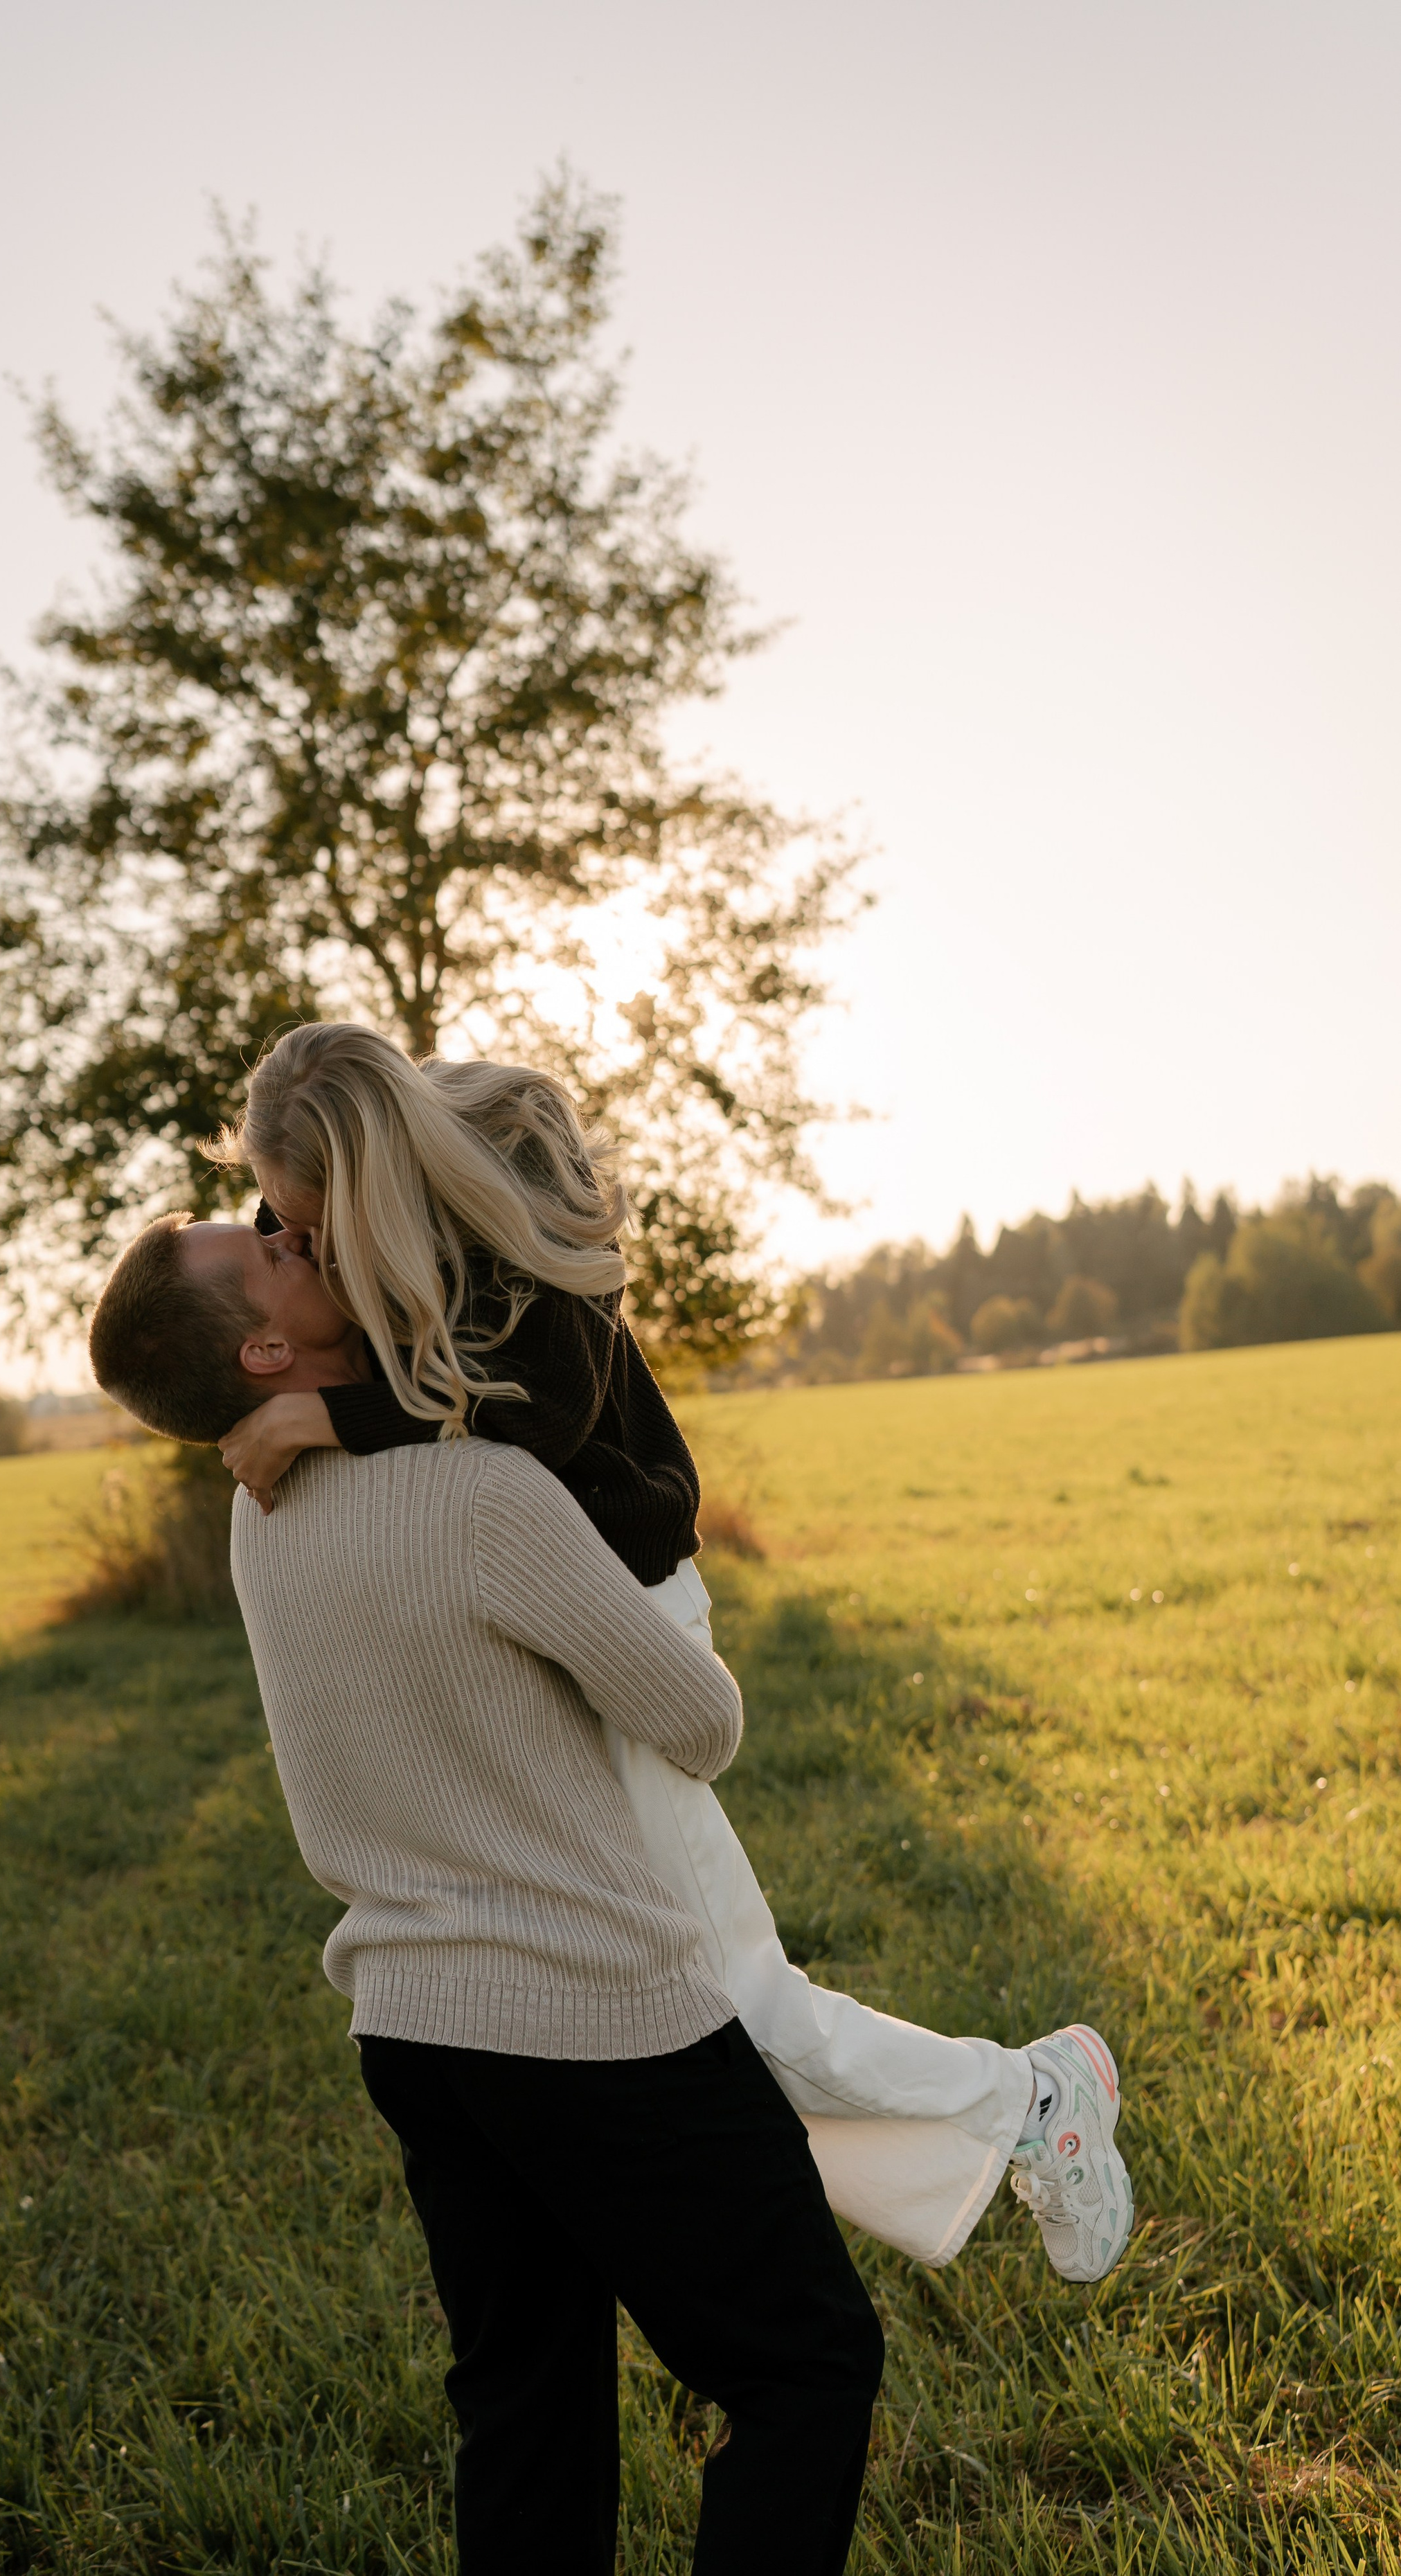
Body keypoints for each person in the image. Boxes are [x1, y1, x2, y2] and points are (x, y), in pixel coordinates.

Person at [89, 1032, 1132, 2291]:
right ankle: (1010, 2120)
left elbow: (537, 1418)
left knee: (730, 2003)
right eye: (272, 1223)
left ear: (366, 1182)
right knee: (706, 2006)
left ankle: (1034, 2093)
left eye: (295, 1224)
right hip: (531, 1613)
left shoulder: (513, 1237)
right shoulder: (342, 1223)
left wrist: (328, 1411)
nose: (291, 1243)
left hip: (628, 1608)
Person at [100, 1214, 886, 2573]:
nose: (307, 1230)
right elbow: (697, 1723)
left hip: (411, 2033)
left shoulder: (258, 1510)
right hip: (590, 2014)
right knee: (804, 2363)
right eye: (273, 1245)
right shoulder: (482, 1489)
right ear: (268, 1343)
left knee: (525, 2417)